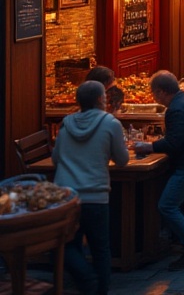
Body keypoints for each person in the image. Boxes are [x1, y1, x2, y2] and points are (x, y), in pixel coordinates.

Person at [133, 72, 184, 270]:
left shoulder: (176, 110)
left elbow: (174, 143)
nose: (154, 97)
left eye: (154, 93)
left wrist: (149, 147)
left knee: (167, 206)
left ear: (161, 92)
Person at [54, 80, 129, 295]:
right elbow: (122, 160)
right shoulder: (110, 123)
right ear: (99, 100)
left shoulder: (66, 123)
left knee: (68, 245)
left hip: (66, 196)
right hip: (95, 195)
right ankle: (97, 288)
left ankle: (84, 280)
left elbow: (56, 158)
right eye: (105, 96)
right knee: (100, 248)